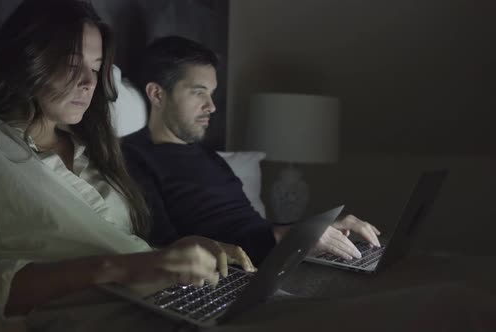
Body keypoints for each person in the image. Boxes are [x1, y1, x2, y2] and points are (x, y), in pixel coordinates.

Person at [0, 1, 255, 331]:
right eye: (72, 65)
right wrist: (117, 268)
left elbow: (114, 246)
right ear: (29, 58)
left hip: (161, 304)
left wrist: (174, 256)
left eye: (96, 67)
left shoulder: (96, 151)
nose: (89, 83)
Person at [121, 36, 381, 265]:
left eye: (211, 94)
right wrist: (286, 237)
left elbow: (251, 228)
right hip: (228, 275)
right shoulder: (134, 158)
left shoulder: (208, 156)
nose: (211, 106)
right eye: (198, 93)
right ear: (157, 94)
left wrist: (309, 231)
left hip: (271, 260)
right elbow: (167, 252)